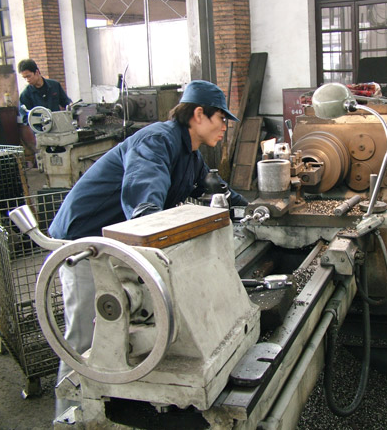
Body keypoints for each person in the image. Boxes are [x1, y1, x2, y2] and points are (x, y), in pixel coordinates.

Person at [47, 79, 247, 419]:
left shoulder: (190, 155)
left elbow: (214, 186)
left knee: (120, 330)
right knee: (85, 340)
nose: (224, 127)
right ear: (199, 114)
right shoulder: (156, 141)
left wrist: (251, 208)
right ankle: (68, 416)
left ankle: (116, 407)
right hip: (84, 244)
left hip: (116, 243)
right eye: (221, 119)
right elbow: (144, 207)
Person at [17, 59, 72, 165]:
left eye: (29, 76)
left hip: (60, 131)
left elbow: (66, 102)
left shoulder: (55, 86)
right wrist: (39, 124)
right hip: (42, 135)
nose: (27, 80)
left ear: (37, 72)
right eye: (24, 78)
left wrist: (71, 107)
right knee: (49, 163)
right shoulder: (26, 95)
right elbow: (25, 117)